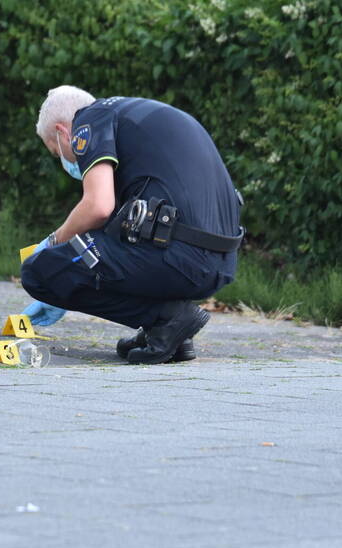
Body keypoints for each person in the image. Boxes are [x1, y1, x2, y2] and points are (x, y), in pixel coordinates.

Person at [20, 85, 244, 364]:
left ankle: (167, 319)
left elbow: (99, 206)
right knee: (99, 246)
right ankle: (168, 332)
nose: (66, 160)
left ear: (63, 132)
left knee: (38, 271)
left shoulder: (88, 120)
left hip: (182, 256)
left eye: (57, 152)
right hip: (220, 262)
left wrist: (53, 244)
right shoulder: (138, 118)